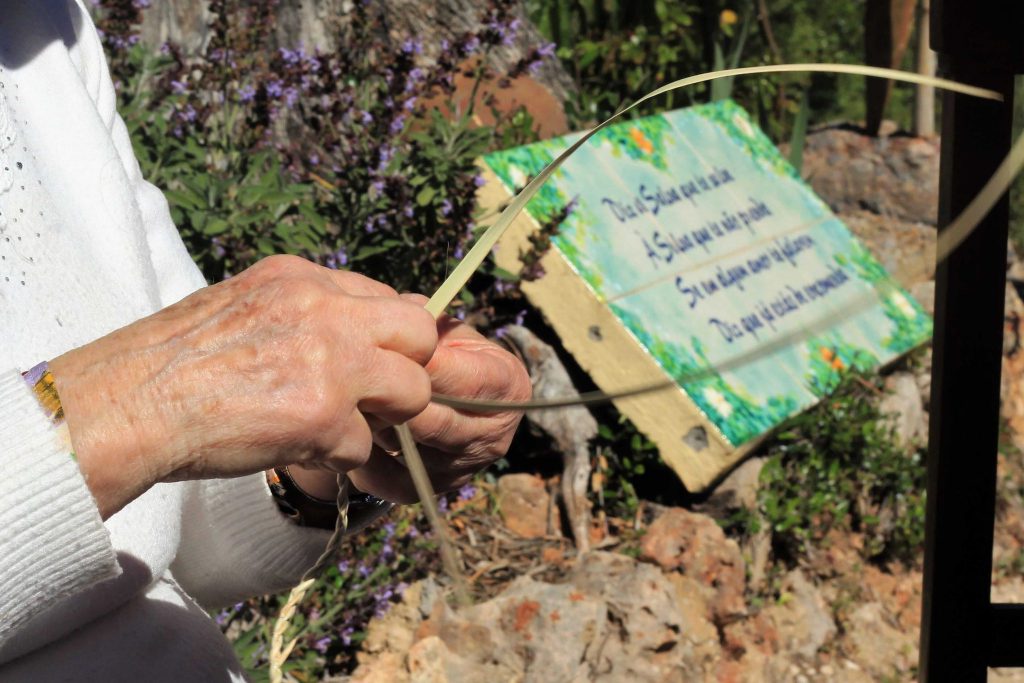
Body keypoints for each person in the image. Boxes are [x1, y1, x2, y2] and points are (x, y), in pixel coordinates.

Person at [0, 1, 530, 680]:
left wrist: (333, 444)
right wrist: (147, 400)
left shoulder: (42, 23)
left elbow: (163, 523)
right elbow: (143, 411)